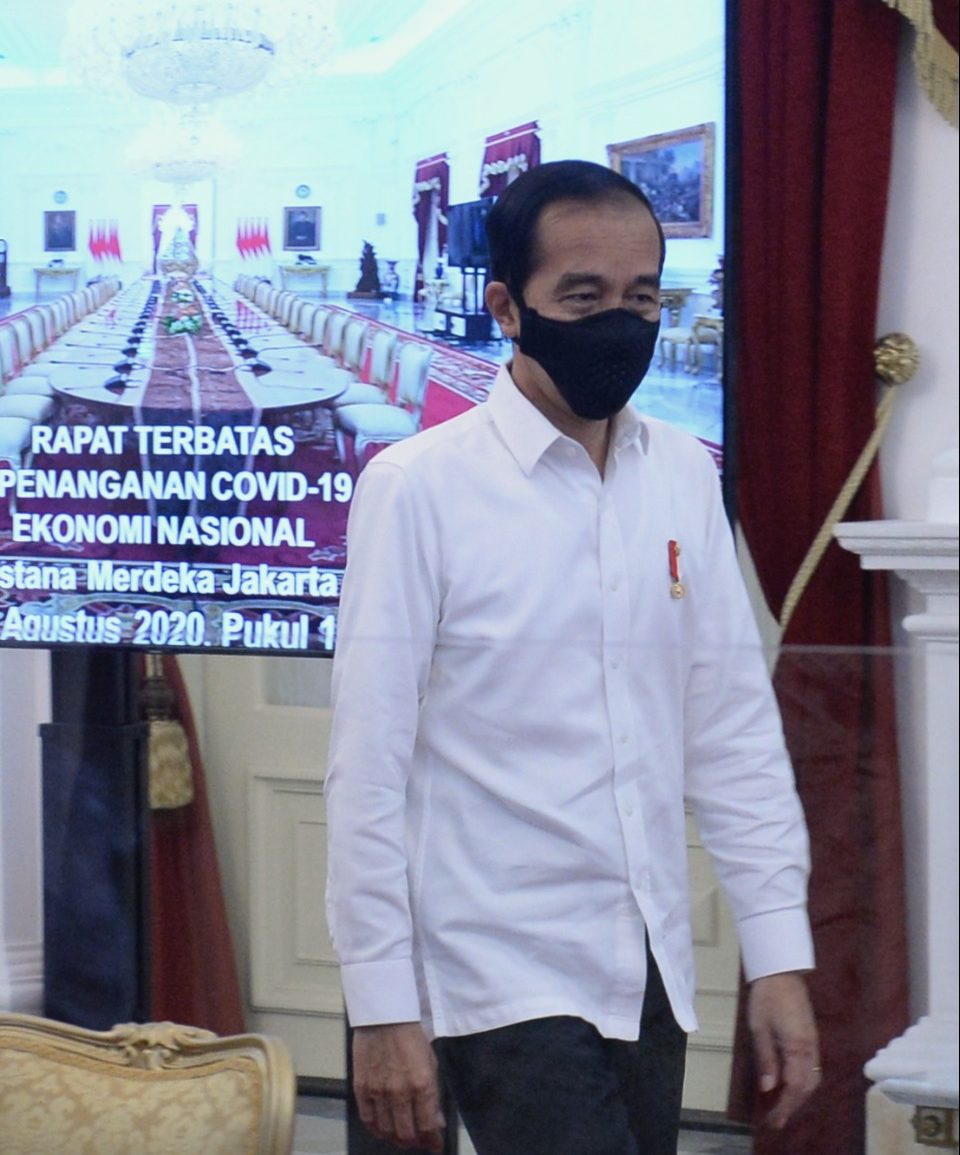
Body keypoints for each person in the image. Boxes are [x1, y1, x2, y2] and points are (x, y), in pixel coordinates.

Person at [325, 159, 820, 1155]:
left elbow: (731, 727)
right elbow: (367, 765)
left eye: (642, 299)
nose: (619, 326)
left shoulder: (683, 473)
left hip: (649, 964)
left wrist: (778, 956)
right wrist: (379, 1004)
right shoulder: (418, 487)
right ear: (507, 307)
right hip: (496, 969)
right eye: (583, 298)